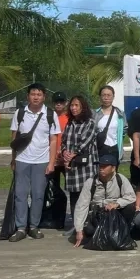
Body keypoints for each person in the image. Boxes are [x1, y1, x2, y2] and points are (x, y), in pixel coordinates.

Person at [9, 83, 61, 242]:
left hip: (42, 161)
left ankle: (33, 226)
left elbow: (53, 140)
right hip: (22, 159)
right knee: (20, 195)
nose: (36, 97)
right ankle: (20, 227)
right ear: (28, 96)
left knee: (38, 195)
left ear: (44, 97)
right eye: (33, 94)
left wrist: (51, 163)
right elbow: (14, 138)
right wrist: (13, 159)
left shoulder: (50, 114)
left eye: (39, 94)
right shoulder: (20, 113)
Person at [72, 154, 136, 248]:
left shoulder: (121, 179)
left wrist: (117, 204)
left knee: (130, 207)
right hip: (98, 214)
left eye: (105, 166)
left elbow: (131, 197)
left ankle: (124, 232)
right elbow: (82, 206)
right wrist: (79, 230)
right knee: (90, 231)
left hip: (115, 214)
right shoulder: (90, 182)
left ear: (113, 168)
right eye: (100, 166)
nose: (101, 169)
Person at [61, 95, 99, 226]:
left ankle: (88, 226)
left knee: (86, 196)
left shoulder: (90, 123)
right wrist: (65, 152)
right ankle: (77, 226)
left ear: (83, 107)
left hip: (86, 166)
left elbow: (85, 143)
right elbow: (64, 141)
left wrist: (72, 155)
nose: (73, 108)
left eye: (77, 105)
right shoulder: (69, 124)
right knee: (73, 197)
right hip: (72, 168)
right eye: (72, 105)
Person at [93, 85, 127, 160]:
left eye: (109, 95)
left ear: (113, 97)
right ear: (100, 97)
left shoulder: (120, 114)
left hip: (115, 149)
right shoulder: (94, 114)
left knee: (113, 171)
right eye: (103, 95)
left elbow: (124, 130)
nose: (106, 98)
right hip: (99, 149)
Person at [51, 91, 69, 191]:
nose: (58, 104)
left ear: (65, 103)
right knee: (53, 188)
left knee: (71, 187)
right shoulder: (49, 117)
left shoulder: (70, 118)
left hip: (66, 158)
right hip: (52, 159)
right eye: (56, 102)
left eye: (61, 102)